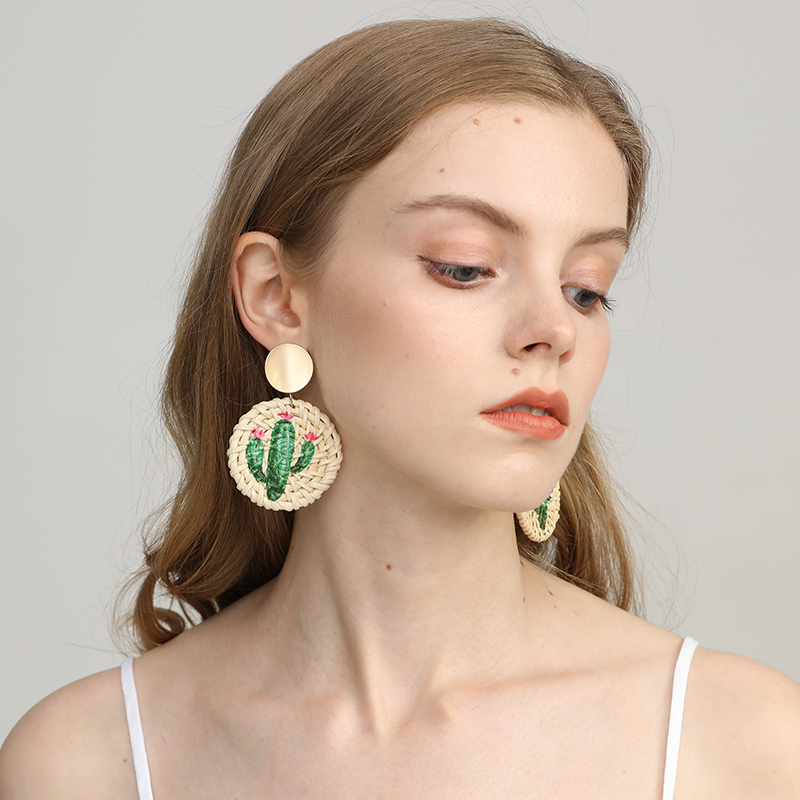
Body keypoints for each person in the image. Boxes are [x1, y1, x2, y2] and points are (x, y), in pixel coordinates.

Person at [1, 17, 797, 799]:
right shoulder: (85, 765)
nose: (554, 330)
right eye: (465, 267)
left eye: (585, 289)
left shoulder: (747, 749)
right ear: (276, 297)